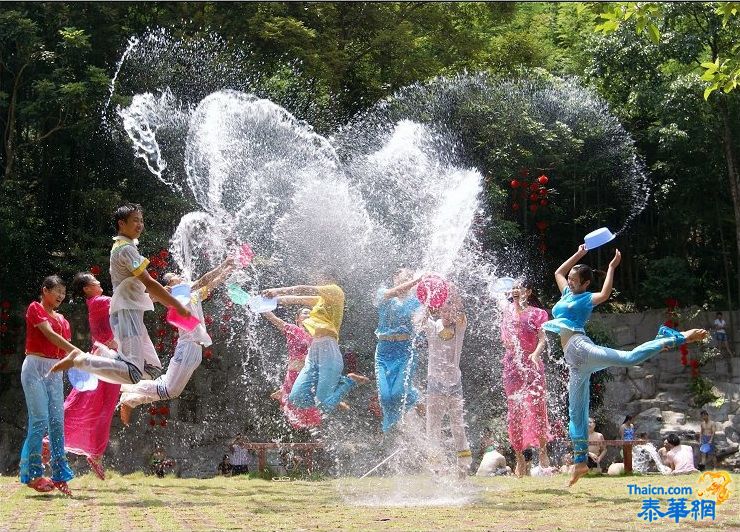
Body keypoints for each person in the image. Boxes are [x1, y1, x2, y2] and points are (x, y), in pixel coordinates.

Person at [542, 244, 707, 486]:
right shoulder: (566, 293)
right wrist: (579, 254)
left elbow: (606, 294)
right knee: (576, 412)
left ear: (586, 283)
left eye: (575, 280)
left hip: (581, 348)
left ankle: (675, 337)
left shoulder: (587, 298)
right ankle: (579, 462)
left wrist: (610, 268)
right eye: (571, 279)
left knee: (629, 358)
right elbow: (558, 272)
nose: (571, 282)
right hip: (575, 363)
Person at [51, 203, 191, 383]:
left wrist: (163, 297)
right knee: (133, 373)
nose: (140, 224)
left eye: (141, 220)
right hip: (127, 313)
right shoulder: (125, 249)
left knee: (153, 369)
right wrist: (176, 304)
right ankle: (82, 359)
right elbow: (147, 281)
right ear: (121, 223)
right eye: (135, 220)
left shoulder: (126, 246)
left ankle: (107, 356)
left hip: (132, 312)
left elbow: (136, 289)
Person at [117, 257, 235, 425]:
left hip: (195, 349)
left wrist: (228, 270)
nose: (179, 274)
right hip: (188, 346)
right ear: (170, 285)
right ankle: (128, 393)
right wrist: (223, 265)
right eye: (174, 275)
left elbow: (211, 283)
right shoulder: (174, 294)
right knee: (170, 389)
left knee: (171, 389)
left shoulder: (191, 295)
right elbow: (204, 280)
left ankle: (130, 397)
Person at [262, 270, 369, 415]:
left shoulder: (335, 291)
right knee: (296, 398)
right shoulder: (321, 300)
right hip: (314, 351)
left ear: (329, 279)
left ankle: (349, 381)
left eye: (320, 279)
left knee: (324, 406)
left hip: (328, 348)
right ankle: (329, 393)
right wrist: (270, 300)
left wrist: (276, 290)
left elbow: (302, 289)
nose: (317, 282)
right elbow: (296, 299)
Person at [19, 276, 78, 496]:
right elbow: (50, 336)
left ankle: (60, 475)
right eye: (57, 291)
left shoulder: (63, 319)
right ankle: (33, 475)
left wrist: (80, 360)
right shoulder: (35, 308)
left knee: (56, 423)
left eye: (63, 292)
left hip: (55, 371)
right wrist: (76, 351)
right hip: (34, 368)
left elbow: (63, 351)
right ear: (45, 291)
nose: (61, 296)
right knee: (40, 420)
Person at [61, 272, 120, 480]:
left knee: (104, 407)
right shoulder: (97, 301)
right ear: (87, 289)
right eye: (94, 281)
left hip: (110, 359)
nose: (99, 283)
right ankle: (51, 438)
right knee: (82, 400)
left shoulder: (100, 302)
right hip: (102, 360)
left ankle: (95, 453)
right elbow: (125, 300)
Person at [499, 278, 552, 476]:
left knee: (538, 407)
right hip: (512, 365)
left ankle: (543, 451)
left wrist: (536, 354)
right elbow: (505, 341)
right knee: (515, 411)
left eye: (519, 287)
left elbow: (542, 339)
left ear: (528, 291)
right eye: (513, 287)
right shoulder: (506, 312)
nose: (514, 290)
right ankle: (520, 458)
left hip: (533, 364)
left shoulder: (538, 314)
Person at [423, 285, 473, 478]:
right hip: (435, 383)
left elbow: (462, 313)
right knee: (433, 426)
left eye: (450, 309)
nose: (447, 313)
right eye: (443, 309)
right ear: (438, 310)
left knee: (458, 426)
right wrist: (428, 298)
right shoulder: (433, 325)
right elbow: (419, 318)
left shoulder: (459, 327)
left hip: (454, 384)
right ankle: (435, 468)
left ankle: (463, 468)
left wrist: (452, 291)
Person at [374, 268, 425, 432]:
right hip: (383, 351)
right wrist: (418, 280)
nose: (407, 277)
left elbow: (428, 312)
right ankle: (394, 425)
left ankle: (412, 397)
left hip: (404, 351)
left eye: (410, 276)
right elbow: (397, 291)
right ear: (394, 277)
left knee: (397, 394)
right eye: (403, 274)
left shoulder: (414, 301)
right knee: (385, 397)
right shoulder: (383, 293)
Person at [261, 308, 323, 430]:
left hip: (310, 375)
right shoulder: (293, 329)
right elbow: (274, 319)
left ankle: (283, 392)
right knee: (297, 406)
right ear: (297, 318)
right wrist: (262, 307)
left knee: (309, 410)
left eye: (311, 314)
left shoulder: (317, 336)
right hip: (295, 373)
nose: (308, 315)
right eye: (305, 313)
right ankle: (283, 393)